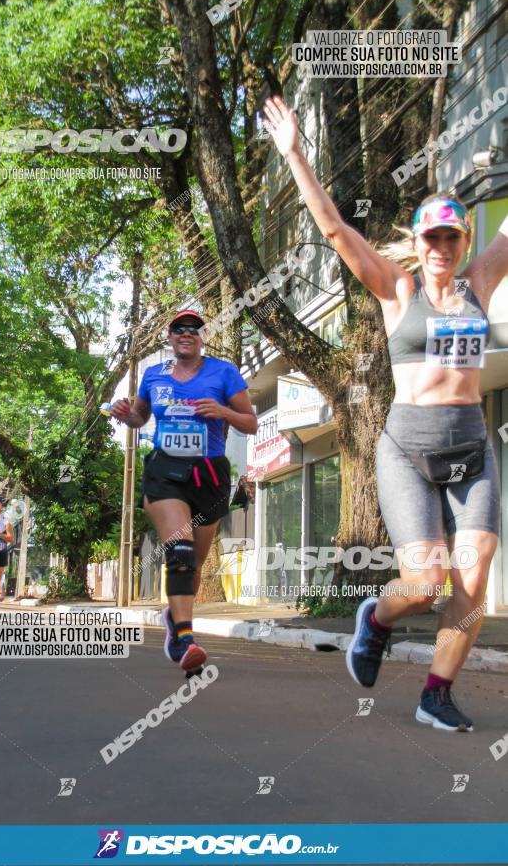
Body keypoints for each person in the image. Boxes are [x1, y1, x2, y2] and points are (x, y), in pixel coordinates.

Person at [264, 94, 508, 732]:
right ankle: (375, 618)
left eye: (452, 236)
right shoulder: (397, 290)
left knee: (474, 576)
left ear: (464, 239)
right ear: (419, 241)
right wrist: (295, 155)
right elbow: (335, 231)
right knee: (426, 584)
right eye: (431, 236)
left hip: (472, 448)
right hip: (407, 451)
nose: (441, 247)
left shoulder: (480, 283)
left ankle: (436, 694)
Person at [109, 310, 257, 673]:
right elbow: (140, 418)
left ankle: (174, 619)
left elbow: (250, 422)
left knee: (193, 567)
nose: (186, 334)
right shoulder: (153, 375)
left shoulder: (223, 372)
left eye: (193, 329)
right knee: (181, 550)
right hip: (166, 471)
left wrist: (222, 410)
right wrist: (124, 413)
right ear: (170, 336)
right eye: (179, 329)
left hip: (209, 473)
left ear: (202, 336)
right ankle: (186, 641)